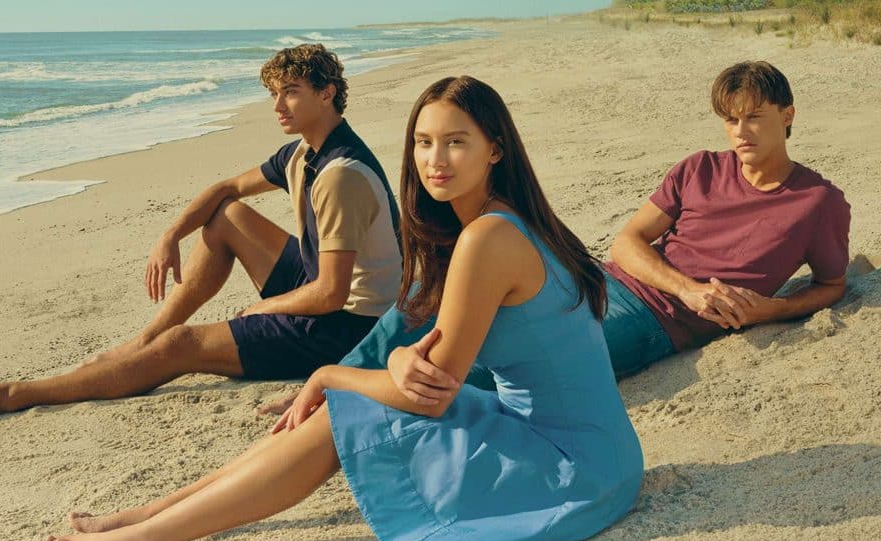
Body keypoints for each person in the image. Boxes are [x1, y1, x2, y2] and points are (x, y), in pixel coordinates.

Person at [42, 76, 643, 541]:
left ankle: (155, 531)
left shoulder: (487, 238)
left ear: (495, 149)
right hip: (593, 450)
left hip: (572, 471)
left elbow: (430, 396)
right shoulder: (504, 221)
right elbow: (431, 361)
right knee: (352, 402)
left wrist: (330, 373)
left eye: (456, 142)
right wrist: (400, 362)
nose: (435, 160)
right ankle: (153, 515)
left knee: (343, 411)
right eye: (424, 142)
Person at [296, 60, 851, 405]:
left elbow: (830, 285)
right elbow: (627, 244)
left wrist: (763, 310)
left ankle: (346, 402)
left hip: (656, 322)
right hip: (596, 281)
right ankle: (341, 378)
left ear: (788, 114)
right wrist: (688, 286)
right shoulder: (699, 167)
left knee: (487, 372)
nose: (739, 131)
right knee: (424, 300)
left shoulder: (818, 203)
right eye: (730, 118)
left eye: (753, 117)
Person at [0, 43, 402, 417]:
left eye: (291, 91)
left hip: (350, 327)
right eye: (274, 93)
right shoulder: (305, 152)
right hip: (324, 287)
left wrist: (263, 307)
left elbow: (332, 294)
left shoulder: (341, 174)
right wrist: (170, 236)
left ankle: (13, 394)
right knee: (227, 215)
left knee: (182, 347)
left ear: (328, 93)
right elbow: (226, 188)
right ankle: (141, 342)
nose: (277, 104)